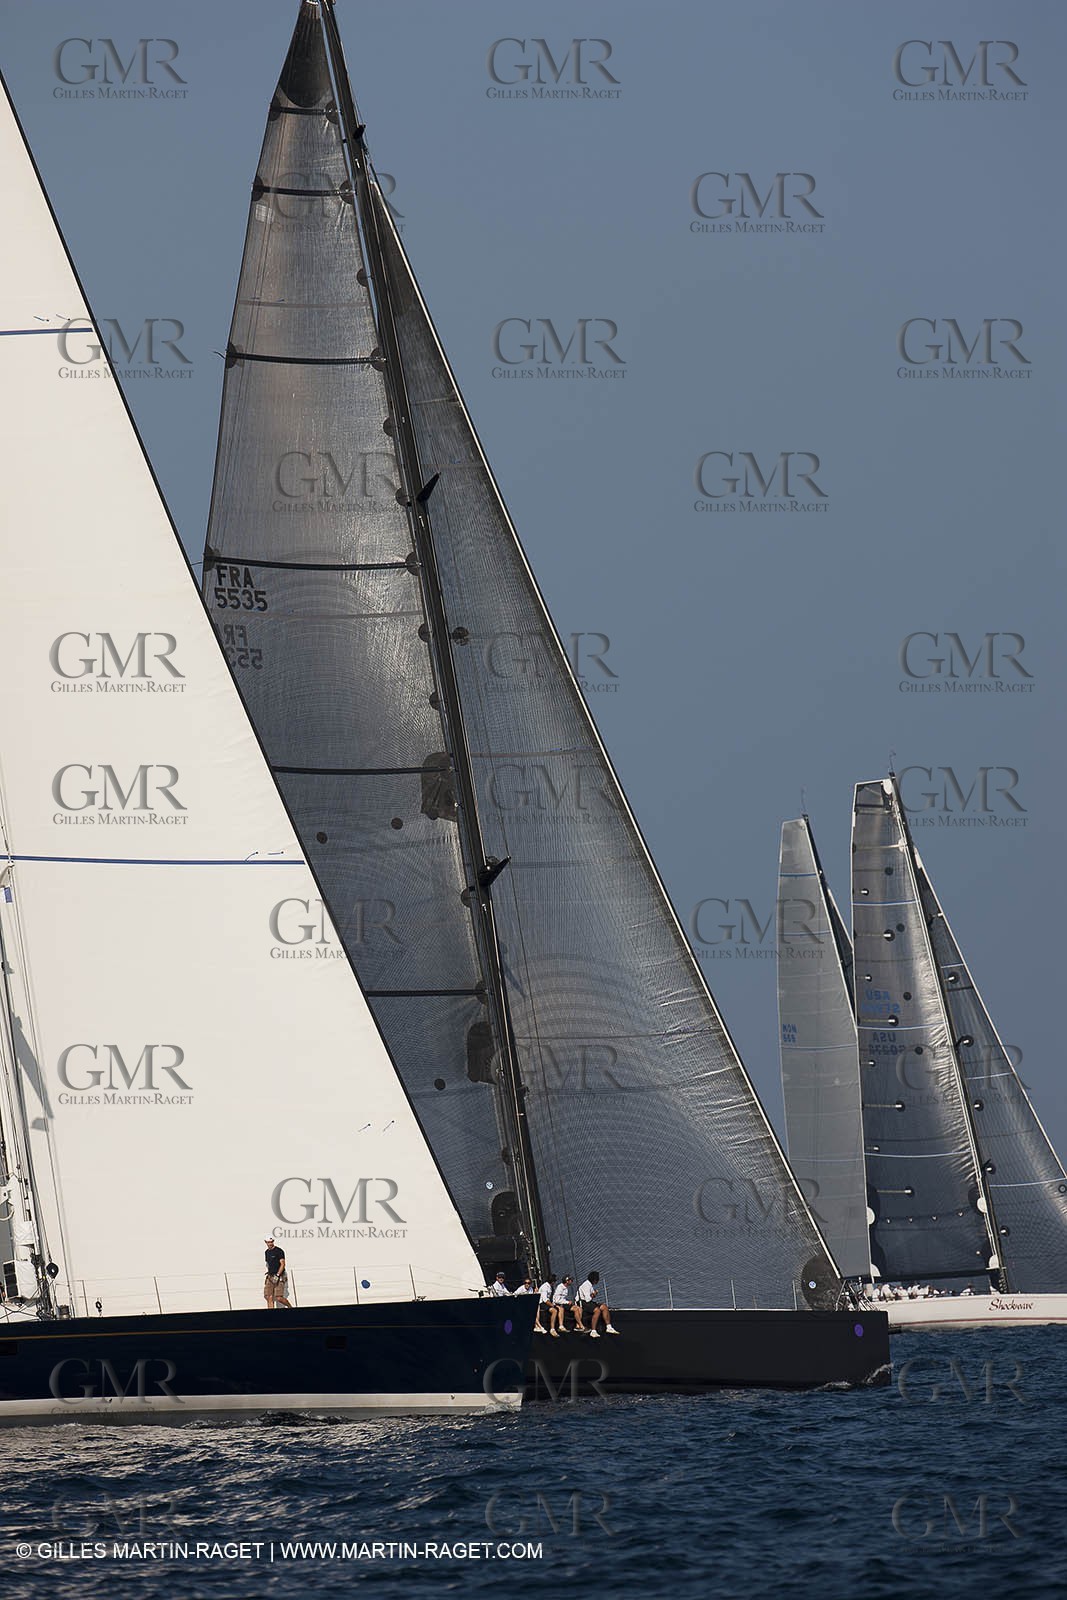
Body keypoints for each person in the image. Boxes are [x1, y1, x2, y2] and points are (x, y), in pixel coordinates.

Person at [575, 1270, 619, 1336]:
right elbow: (588, 1299)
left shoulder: (590, 1285)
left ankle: (609, 1327)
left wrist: (594, 1294)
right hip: (582, 1302)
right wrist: (594, 1294)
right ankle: (593, 1331)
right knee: (597, 1310)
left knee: (604, 1307)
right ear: (594, 1280)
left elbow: (591, 1297)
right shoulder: (586, 1285)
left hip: (587, 1302)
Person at [264, 1235, 291, 1309]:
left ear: (273, 1242)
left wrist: (278, 1275)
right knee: (268, 1296)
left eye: (271, 1242)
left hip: (280, 1276)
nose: (270, 1243)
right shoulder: (266, 1252)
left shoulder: (279, 1251)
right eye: (268, 1242)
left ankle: (290, 1307)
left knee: (279, 1297)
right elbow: (269, 1263)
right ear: (265, 1242)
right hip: (270, 1276)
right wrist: (269, 1272)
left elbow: (283, 1264)